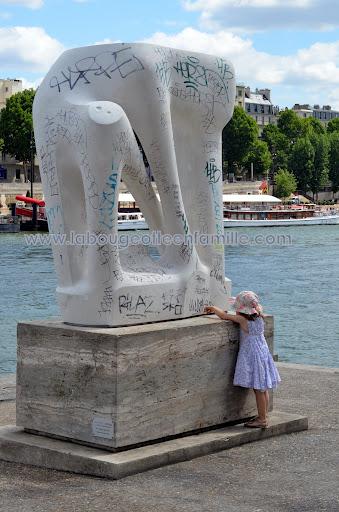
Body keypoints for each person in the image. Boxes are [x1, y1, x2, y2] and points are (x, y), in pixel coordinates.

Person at [204, 291, 281, 429]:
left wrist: (213, 308)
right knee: (263, 388)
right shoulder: (259, 314)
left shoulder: (242, 320)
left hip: (253, 354)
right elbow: (257, 307)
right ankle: (264, 415)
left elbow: (223, 316)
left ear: (241, 310)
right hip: (262, 352)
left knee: (258, 389)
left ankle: (262, 420)